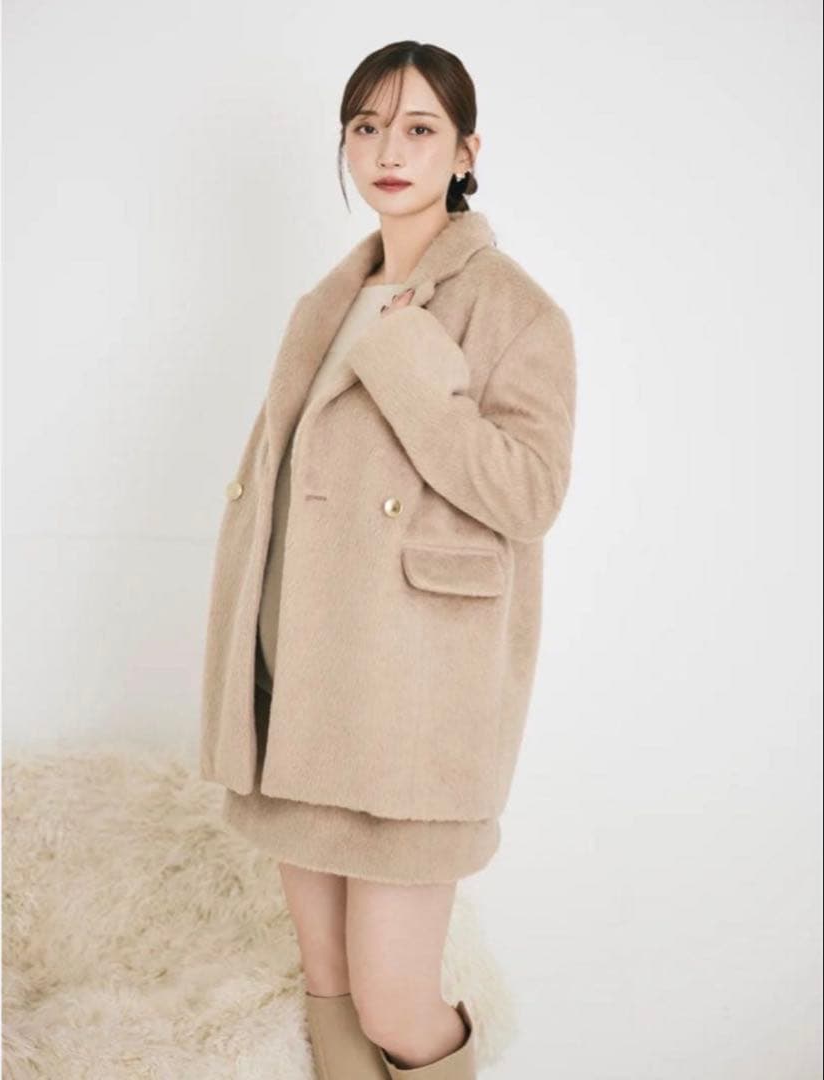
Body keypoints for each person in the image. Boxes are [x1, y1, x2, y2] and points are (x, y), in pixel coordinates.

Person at [200, 39, 577, 1079]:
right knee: (325, 990)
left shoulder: (516, 310)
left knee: (395, 1003)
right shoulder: (330, 300)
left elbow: (529, 494)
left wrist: (414, 364)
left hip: (410, 709)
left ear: (466, 151)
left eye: (418, 128)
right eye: (365, 127)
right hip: (301, 686)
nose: (387, 151)